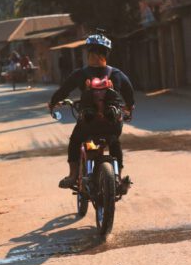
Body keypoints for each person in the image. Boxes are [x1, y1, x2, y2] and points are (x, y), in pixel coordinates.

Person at [48, 33, 135, 189]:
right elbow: (129, 94)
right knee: (114, 142)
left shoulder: (80, 74)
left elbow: (63, 91)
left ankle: (73, 175)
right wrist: (129, 108)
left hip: (88, 124)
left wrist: (53, 103)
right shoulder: (116, 74)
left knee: (75, 140)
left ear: (88, 54)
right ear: (106, 54)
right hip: (111, 124)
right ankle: (118, 177)